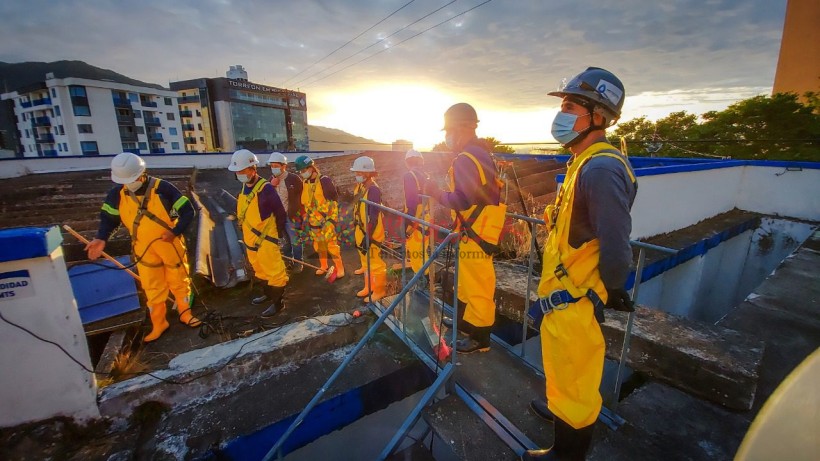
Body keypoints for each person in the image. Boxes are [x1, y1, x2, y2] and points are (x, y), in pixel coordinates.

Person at [523, 67, 637, 461]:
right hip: (563, 297)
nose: (563, 114)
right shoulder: (582, 161)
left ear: (599, 117)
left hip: (576, 301)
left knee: (577, 384)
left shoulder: (601, 168)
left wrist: (616, 285)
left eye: (571, 106)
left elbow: (616, 243)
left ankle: (566, 454)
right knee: (564, 373)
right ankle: (559, 411)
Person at [85, 152, 200, 342]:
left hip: (169, 245)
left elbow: (188, 211)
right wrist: (101, 238)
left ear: (142, 173)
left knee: (179, 280)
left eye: (133, 178)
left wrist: (175, 231)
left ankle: (185, 313)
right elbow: (109, 220)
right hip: (143, 248)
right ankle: (159, 323)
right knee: (151, 287)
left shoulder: (163, 188)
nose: (130, 183)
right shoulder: (117, 195)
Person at [425, 103, 507, 354]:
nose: (447, 137)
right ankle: (466, 325)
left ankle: (480, 338)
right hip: (476, 230)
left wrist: (435, 192)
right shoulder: (480, 153)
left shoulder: (466, 159)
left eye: (448, 130)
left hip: (478, 233)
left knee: (478, 286)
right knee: (468, 283)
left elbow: (462, 200)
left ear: (462, 128)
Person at [227, 149, 289, 317]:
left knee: (275, 272)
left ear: (253, 169)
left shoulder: (266, 188)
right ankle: (268, 294)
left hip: (265, 240)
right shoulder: (244, 188)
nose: (239, 174)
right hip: (250, 240)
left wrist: (279, 236)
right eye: (237, 171)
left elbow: (280, 213)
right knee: (260, 270)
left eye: (242, 171)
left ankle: (278, 303)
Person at [293, 155, 345, 278]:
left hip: (327, 220)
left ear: (311, 168)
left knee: (332, 246)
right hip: (313, 221)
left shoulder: (324, 180)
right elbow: (306, 202)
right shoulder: (305, 182)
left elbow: (333, 201)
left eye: (304, 170)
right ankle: (323, 265)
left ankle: (340, 268)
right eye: (301, 171)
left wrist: (329, 219)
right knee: (319, 245)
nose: (302, 173)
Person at [350, 156, 388, 302]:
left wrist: (368, 237)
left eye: (359, 173)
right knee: (365, 261)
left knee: (375, 263)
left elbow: (373, 216)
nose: (357, 175)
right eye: (356, 172)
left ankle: (379, 291)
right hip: (361, 229)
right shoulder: (360, 187)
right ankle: (369, 286)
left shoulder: (373, 190)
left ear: (368, 173)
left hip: (371, 232)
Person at [268, 152, 305, 273]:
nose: (273, 168)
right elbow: (267, 197)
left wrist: (301, 213)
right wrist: (271, 186)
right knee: (286, 243)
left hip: (292, 216)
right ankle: (289, 262)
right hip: (278, 217)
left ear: (284, 166)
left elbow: (303, 196)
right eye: (272, 165)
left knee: (295, 241)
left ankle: (299, 262)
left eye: (276, 165)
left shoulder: (293, 179)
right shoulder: (271, 180)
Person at [403, 149, 431, 277]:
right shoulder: (426, 176)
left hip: (415, 221)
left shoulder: (409, 176)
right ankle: (425, 278)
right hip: (425, 219)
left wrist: (405, 225)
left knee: (415, 253)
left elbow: (411, 204)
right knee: (423, 252)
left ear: (407, 162)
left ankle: (421, 283)